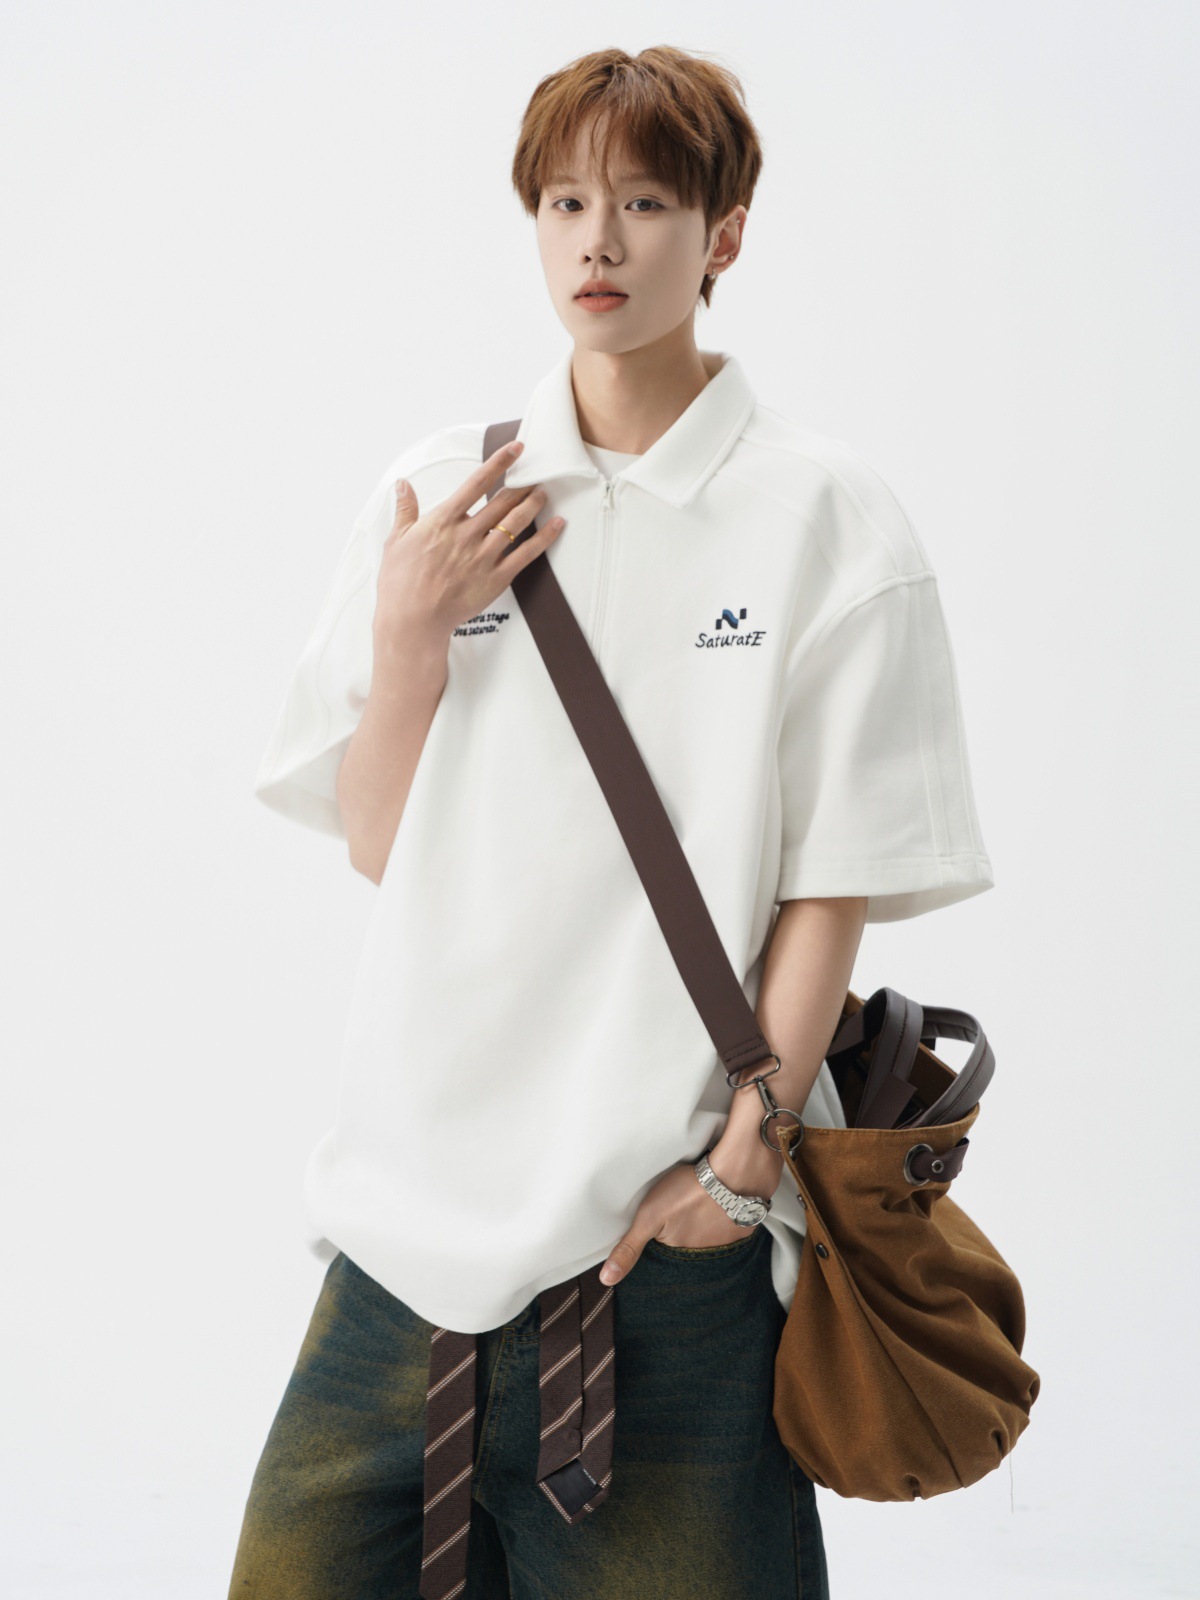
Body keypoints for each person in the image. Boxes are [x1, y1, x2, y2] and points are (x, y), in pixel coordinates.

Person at [228, 44, 993, 1600]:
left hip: (665, 1265)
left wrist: (736, 1173)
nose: (599, 241)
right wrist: (408, 638)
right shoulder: (441, 495)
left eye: (645, 202)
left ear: (723, 234)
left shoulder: (827, 519)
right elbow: (383, 848)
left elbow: (830, 885)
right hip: (399, 1247)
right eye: (566, 202)